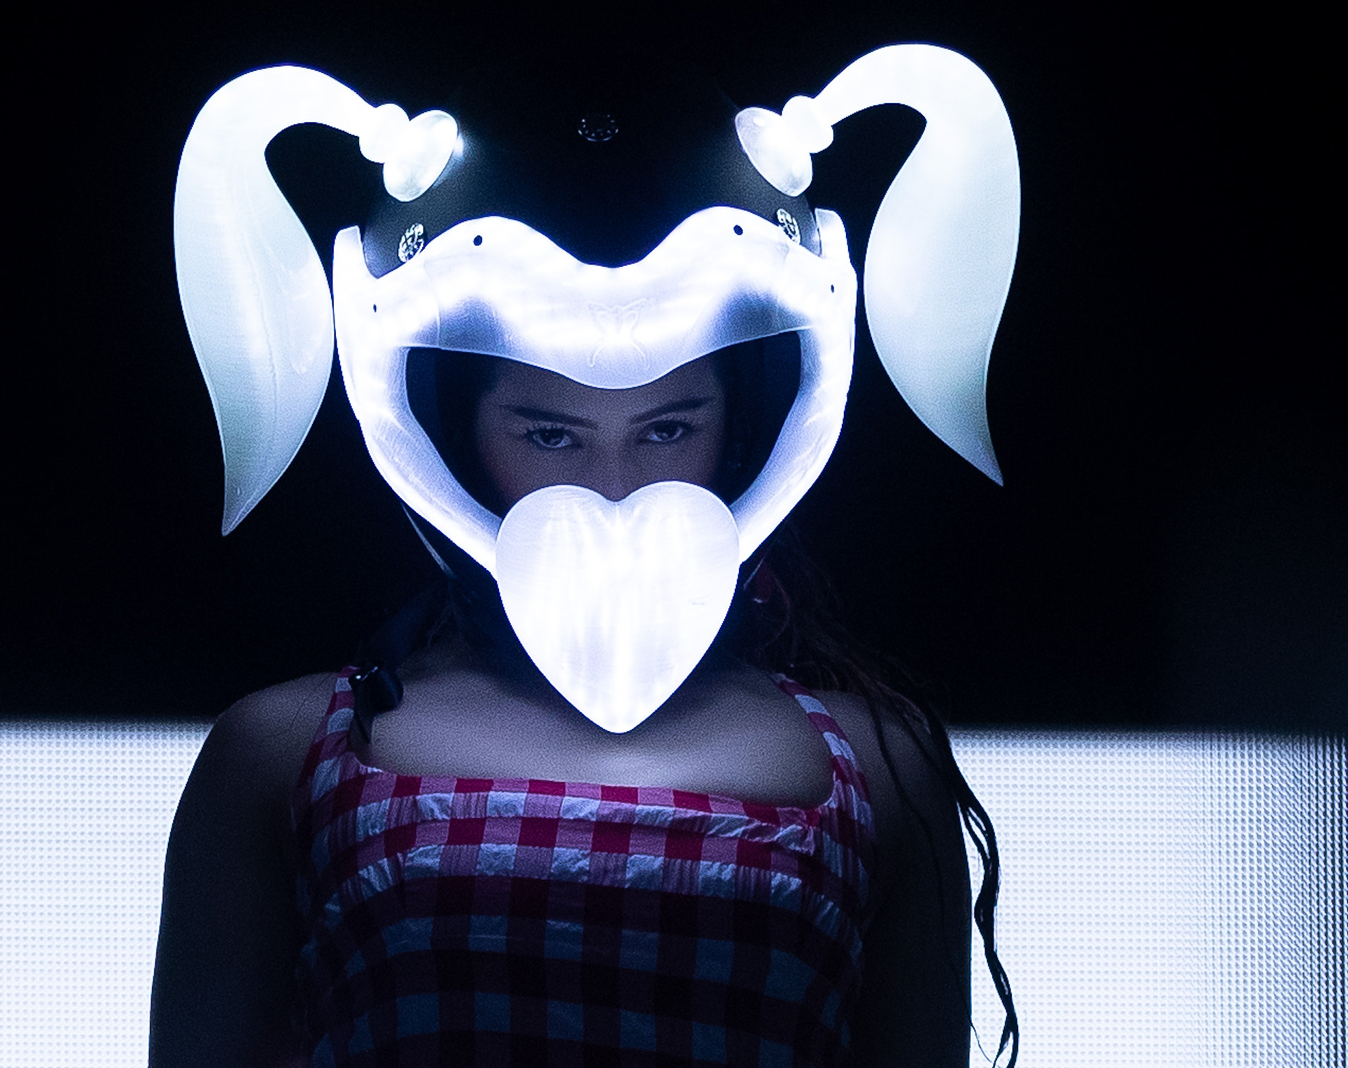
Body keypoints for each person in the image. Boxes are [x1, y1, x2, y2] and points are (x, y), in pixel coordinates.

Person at [152, 48, 1019, 1067]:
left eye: (667, 428)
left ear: (739, 429)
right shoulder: (282, 755)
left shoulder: (879, 767)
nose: (616, 489)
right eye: (550, 434)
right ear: (453, 431)